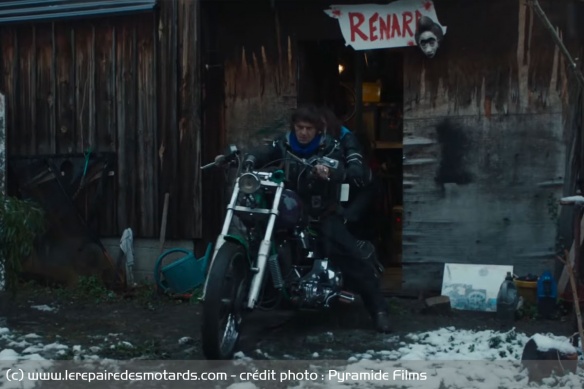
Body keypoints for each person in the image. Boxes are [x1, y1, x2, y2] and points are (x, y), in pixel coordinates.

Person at [243, 105, 391, 333]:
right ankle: (245, 298)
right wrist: (249, 159)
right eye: (300, 127)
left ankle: (379, 311)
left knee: (352, 257)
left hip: (320, 213)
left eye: (308, 128)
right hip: (287, 209)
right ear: (293, 126)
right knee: (255, 238)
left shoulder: (329, 146)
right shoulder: (283, 144)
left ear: (317, 129)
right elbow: (265, 152)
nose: (303, 132)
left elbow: (345, 168)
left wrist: (329, 172)